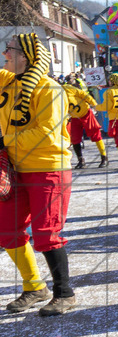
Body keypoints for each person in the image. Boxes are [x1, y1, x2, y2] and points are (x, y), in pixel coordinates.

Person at [1, 33, 77, 315]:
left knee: (46, 234)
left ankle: (64, 294)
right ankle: (34, 287)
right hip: (14, 169)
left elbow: (45, 132)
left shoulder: (50, 89)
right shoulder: (7, 82)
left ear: (26, 57)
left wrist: (5, 140)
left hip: (48, 169)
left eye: (9, 50)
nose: (5, 54)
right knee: (7, 230)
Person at [64, 80, 107, 169]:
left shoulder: (68, 88)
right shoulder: (50, 97)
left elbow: (83, 94)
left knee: (96, 135)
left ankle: (104, 157)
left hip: (86, 113)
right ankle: (81, 160)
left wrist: (94, 104)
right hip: (74, 117)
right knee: (75, 139)